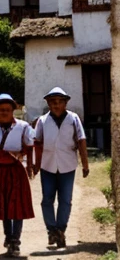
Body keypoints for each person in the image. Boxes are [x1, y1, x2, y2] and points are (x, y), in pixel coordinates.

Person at [33, 86, 89, 250]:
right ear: (48, 104)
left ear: (65, 103)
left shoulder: (73, 119)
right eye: (53, 102)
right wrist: (35, 166)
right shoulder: (42, 121)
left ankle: (61, 229)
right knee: (47, 200)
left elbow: (81, 140)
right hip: (47, 164)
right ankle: (52, 230)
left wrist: (85, 164)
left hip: (68, 163)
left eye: (59, 102)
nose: (56, 105)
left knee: (65, 200)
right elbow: (37, 144)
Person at [0, 94, 35, 257]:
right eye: (1, 110)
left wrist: (30, 166)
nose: (4, 112)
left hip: (17, 170)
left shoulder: (23, 126)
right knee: (3, 205)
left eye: (7, 110)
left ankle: (15, 240)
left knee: (17, 206)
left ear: (13, 111)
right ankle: (8, 237)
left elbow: (30, 145)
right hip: (0, 170)